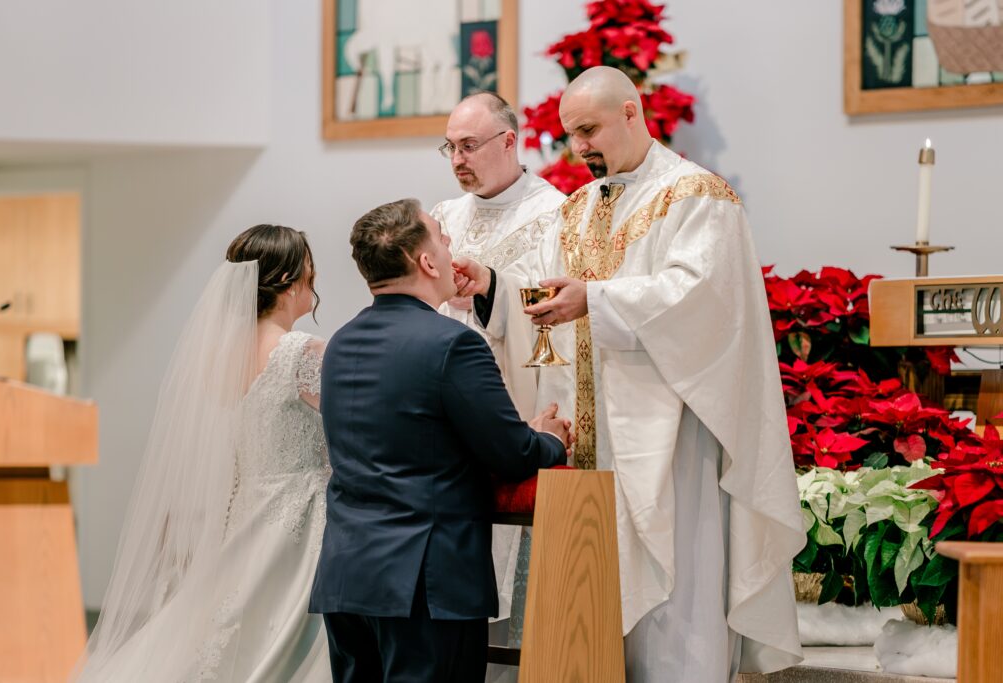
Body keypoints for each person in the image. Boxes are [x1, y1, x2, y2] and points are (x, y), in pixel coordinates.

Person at [454, 66, 805, 682]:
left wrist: (597, 299)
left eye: (589, 129)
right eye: (570, 134)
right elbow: (543, 289)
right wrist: (490, 287)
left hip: (670, 433)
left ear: (632, 114)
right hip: (594, 439)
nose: (579, 147)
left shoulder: (697, 196)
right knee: (597, 590)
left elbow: (700, 297)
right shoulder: (580, 208)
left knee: (676, 583)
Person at [309, 199, 571, 683]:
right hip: (424, 585)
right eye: (441, 237)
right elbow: (512, 453)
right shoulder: (453, 342)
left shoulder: (342, 341)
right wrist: (548, 438)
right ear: (427, 262)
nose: (451, 246)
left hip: (347, 576)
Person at [72, 225, 332, 683]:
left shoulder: (225, 356)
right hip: (301, 517)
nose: (314, 285)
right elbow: (357, 422)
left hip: (247, 509)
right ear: (292, 280)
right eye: (311, 274)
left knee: (233, 629)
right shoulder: (302, 352)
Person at [432, 91, 565, 420]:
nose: (457, 160)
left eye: (469, 146)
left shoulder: (555, 213)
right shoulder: (444, 217)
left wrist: (489, 290)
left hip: (513, 399)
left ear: (508, 141)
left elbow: (561, 310)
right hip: (443, 391)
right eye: (451, 147)